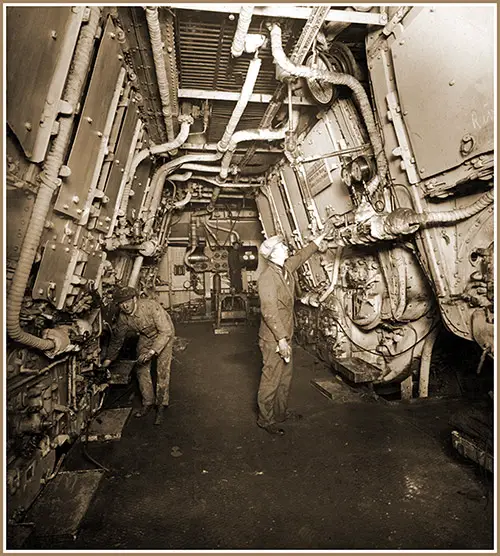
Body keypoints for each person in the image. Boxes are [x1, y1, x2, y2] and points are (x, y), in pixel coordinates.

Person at [257, 230, 329, 435]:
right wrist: (281, 339)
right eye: (282, 246)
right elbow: (269, 312)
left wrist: (318, 240)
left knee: (285, 377)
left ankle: (280, 413)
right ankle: (265, 419)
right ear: (273, 253)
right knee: (271, 378)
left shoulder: (285, 269)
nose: (286, 247)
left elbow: (300, 256)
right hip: (273, 338)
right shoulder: (267, 278)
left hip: (285, 335)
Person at [103, 286, 175, 425]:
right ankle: (148, 402)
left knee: (162, 371)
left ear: (134, 299)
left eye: (128, 301)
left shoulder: (150, 306)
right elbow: (117, 340)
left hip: (164, 334)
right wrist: (108, 360)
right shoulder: (123, 318)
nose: (125, 306)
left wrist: (152, 352)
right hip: (146, 336)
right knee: (141, 368)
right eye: (121, 303)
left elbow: (165, 331)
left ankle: (161, 405)